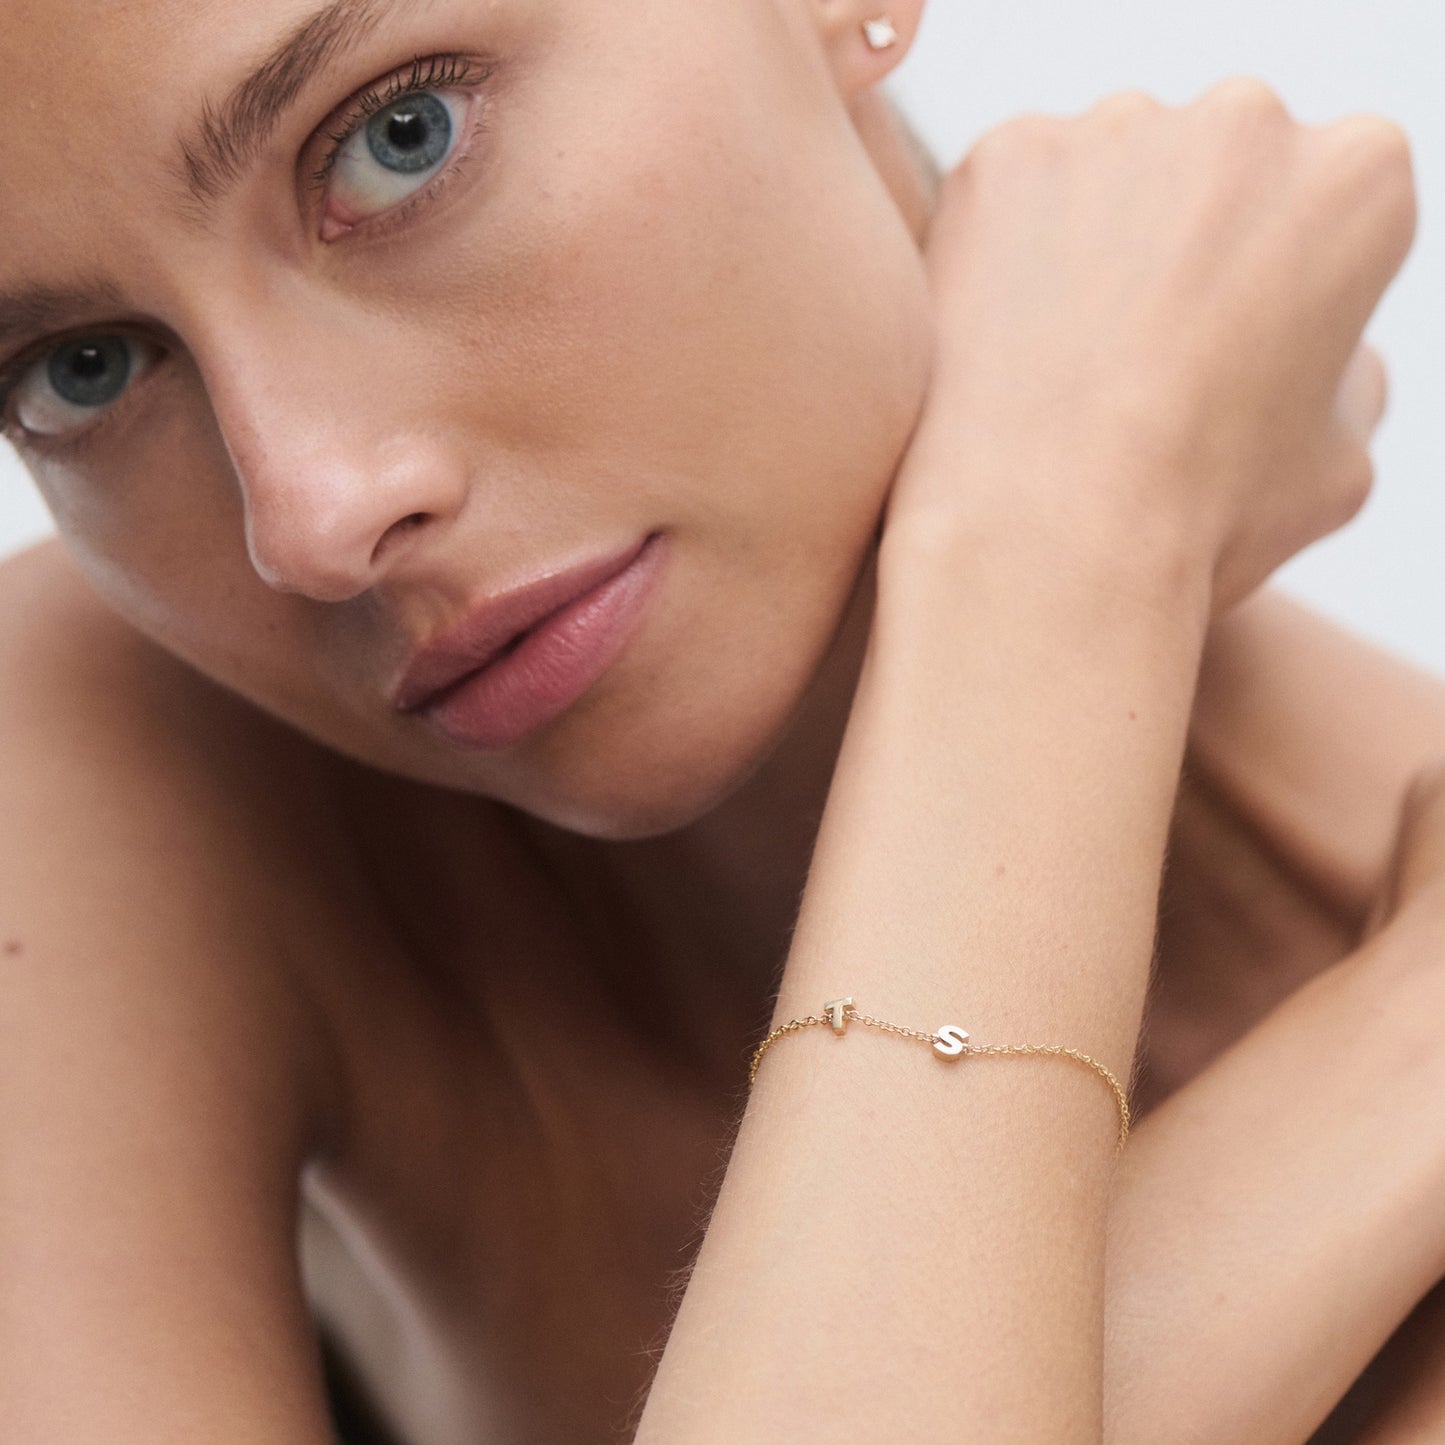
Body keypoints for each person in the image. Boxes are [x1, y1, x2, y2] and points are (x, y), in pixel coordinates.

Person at [0, 0, 1441, 1440]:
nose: (310, 514)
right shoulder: (108, 744)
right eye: (83, 367)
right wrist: (1058, 542)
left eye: (398, 138)